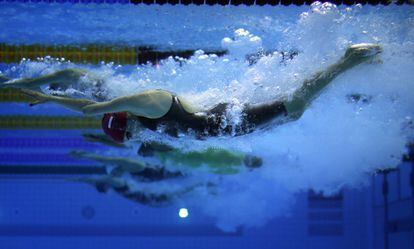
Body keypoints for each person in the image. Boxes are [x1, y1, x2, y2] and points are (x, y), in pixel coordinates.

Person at [2, 43, 382, 143]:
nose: (135, 136)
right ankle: (326, 63)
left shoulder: (140, 104)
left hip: (221, 124)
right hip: (218, 120)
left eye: (128, 132)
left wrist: (52, 99)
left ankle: (348, 60)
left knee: (295, 108)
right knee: (287, 107)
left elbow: (90, 108)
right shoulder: (141, 112)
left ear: (125, 119)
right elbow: (91, 105)